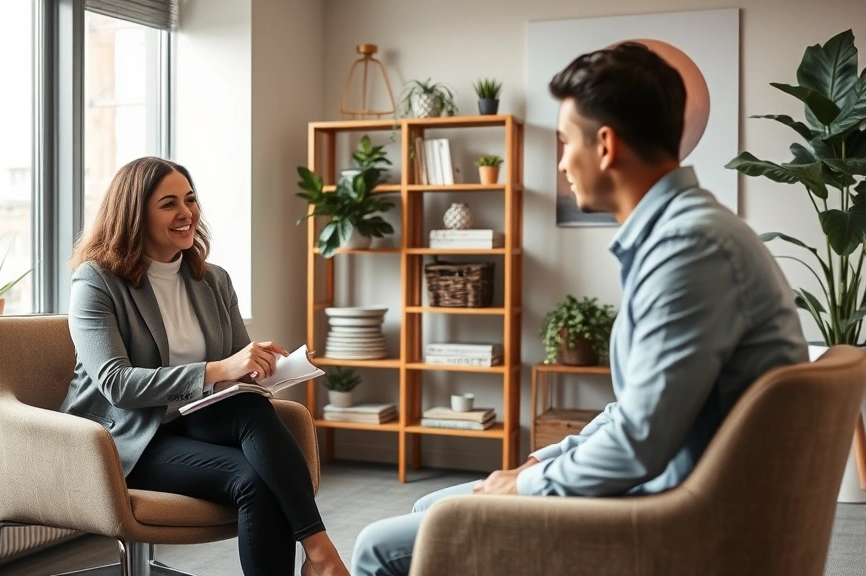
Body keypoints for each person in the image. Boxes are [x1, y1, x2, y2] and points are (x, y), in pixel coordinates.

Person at [351, 42, 809, 576]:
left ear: (607, 146)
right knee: (434, 508)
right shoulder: (685, 234)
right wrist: (542, 461)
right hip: (677, 491)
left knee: (380, 547)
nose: (563, 162)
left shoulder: (689, 249)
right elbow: (636, 411)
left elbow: (639, 443)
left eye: (565, 142)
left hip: (680, 522)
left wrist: (523, 486)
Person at [61, 157, 350, 576]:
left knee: (250, 407)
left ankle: (320, 554)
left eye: (191, 199)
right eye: (169, 203)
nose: (187, 213)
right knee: (254, 482)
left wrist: (257, 368)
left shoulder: (213, 280)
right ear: (134, 214)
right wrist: (220, 369)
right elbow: (117, 384)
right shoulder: (97, 281)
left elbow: (234, 367)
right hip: (124, 437)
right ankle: (321, 553)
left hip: (193, 418)